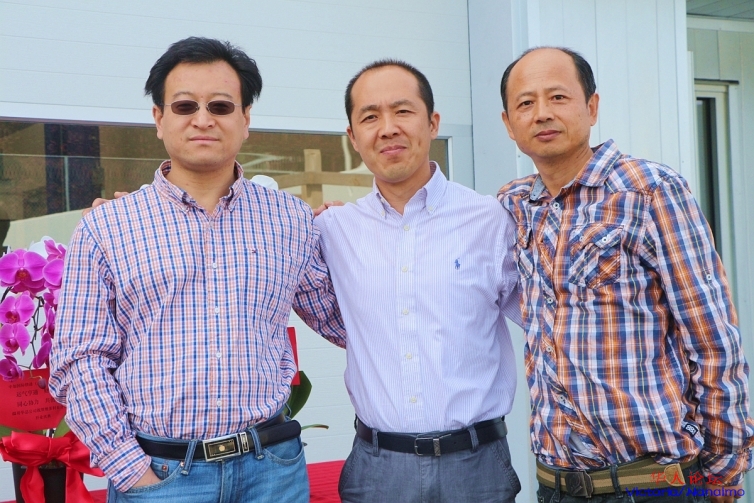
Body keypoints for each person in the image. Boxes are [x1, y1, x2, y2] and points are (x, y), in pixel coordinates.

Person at [48, 37, 346, 502]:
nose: (203, 119)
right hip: (161, 475)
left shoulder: (290, 220)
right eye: (185, 105)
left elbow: (342, 322)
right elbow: (80, 360)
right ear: (158, 118)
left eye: (221, 106)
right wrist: (131, 469)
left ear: (245, 119)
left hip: (272, 472)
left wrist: (366, 242)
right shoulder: (107, 228)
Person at [497, 46, 754, 503]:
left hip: (653, 483)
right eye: (526, 103)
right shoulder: (514, 206)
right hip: (557, 486)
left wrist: (724, 472)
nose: (542, 113)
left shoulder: (649, 191)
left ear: (592, 106)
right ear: (508, 123)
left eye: (558, 97)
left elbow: (712, 337)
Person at [315, 60, 522, 502]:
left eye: (402, 111)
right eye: (370, 116)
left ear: (432, 123)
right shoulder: (332, 230)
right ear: (353, 136)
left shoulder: (491, 220)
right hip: (378, 470)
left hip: (476, 467)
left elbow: (551, 322)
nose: (387, 128)